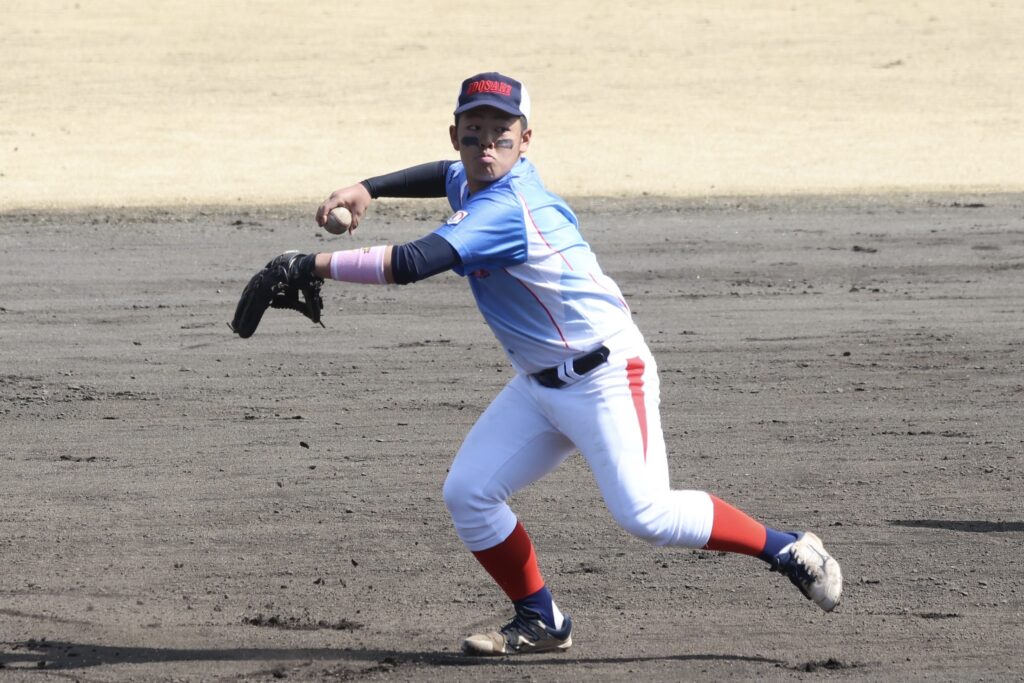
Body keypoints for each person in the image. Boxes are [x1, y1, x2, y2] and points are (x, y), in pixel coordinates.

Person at [294, 72, 842, 656]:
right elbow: (442, 174)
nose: (486, 144)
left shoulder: (508, 206)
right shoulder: (474, 176)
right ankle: (541, 620)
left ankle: (787, 547)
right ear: (456, 135)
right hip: (539, 386)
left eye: (502, 133)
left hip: (608, 375)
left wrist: (306, 265)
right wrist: (369, 188)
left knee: (647, 515)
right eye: (473, 131)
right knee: (470, 493)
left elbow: (409, 262)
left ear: (525, 139)